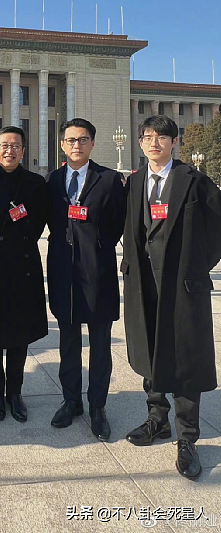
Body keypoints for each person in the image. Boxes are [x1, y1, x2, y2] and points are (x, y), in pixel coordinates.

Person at [122, 115, 221, 479]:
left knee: (185, 358)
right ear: (139, 143)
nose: (154, 143)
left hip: (182, 284)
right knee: (150, 351)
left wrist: (197, 264)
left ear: (175, 142)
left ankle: (187, 438)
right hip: (144, 284)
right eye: (147, 137)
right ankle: (156, 419)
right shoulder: (133, 184)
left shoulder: (193, 181)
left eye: (162, 137)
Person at [45, 118, 126, 441]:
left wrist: (98, 247)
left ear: (92, 143)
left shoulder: (109, 180)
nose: (76, 145)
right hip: (63, 271)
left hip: (98, 273)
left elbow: (118, 222)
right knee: (68, 341)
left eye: (82, 140)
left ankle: (97, 406)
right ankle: (71, 400)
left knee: (100, 344)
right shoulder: (52, 180)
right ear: (62, 145)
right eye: (70, 140)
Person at [0, 126, 49, 423]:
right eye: (4, 145)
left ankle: (15, 392)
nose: (9, 150)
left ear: (24, 151)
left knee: (20, 335)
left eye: (15, 145)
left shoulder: (35, 183)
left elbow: (40, 221)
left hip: (24, 266)